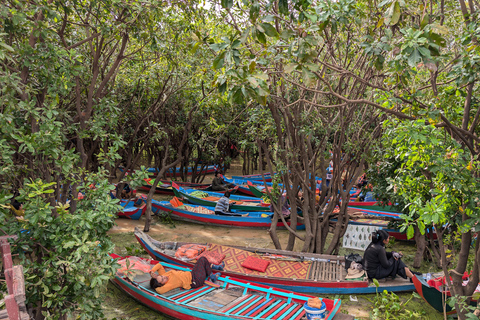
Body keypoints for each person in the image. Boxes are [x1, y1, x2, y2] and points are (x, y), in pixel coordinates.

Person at [149, 257, 224, 294]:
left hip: (193, 274)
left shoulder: (165, 275)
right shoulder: (169, 285)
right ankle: (213, 275)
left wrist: (152, 271)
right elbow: (160, 290)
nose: (164, 277)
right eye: (162, 280)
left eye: (161, 276)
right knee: (202, 260)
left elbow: (159, 265)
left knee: (200, 261)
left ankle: (215, 269)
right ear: (162, 284)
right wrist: (155, 287)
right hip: (195, 281)